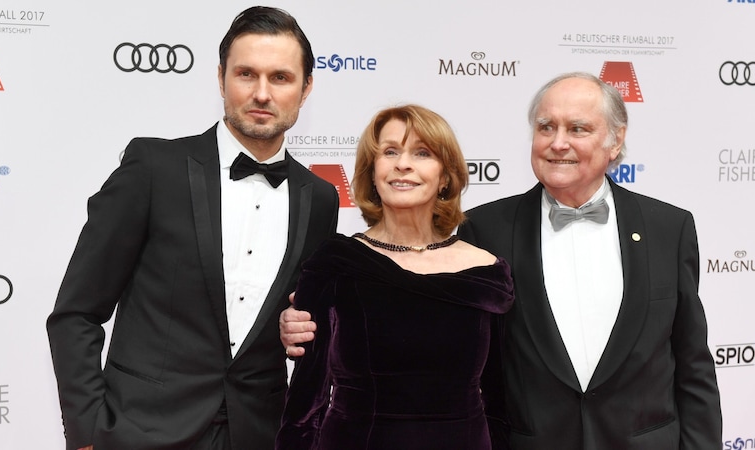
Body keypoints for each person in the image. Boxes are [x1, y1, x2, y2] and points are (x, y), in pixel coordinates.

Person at [281, 73, 723, 449]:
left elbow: (693, 364)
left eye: (578, 128)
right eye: (546, 126)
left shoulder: (670, 227)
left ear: (616, 139)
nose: (558, 143)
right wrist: (298, 322)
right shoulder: (486, 231)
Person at [46, 6, 339, 450]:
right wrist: (86, 433)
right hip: (140, 432)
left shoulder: (320, 198)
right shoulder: (153, 168)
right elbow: (76, 313)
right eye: (246, 74)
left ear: (306, 87)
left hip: (258, 432)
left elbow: (299, 318)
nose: (262, 93)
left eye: (280, 77)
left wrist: (294, 325)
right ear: (221, 78)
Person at [275, 104, 514, 450]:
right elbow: (305, 406)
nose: (403, 163)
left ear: (445, 176)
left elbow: (499, 403)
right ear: (372, 172)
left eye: (422, 153)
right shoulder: (336, 263)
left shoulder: (487, 272)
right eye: (390, 152)